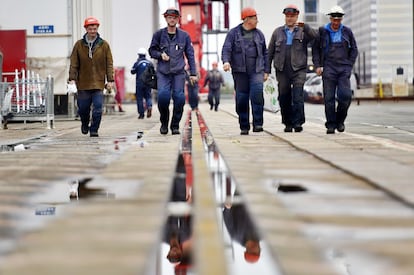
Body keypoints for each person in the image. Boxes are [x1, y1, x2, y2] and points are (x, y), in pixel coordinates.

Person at [267, 4, 318, 133]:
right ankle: (287, 123)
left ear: (297, 16)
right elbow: (269, 52)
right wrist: (266, 70)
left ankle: (298, 123)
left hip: (299, 69)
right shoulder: (277, 32)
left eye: (292, 16)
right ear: (285, 17)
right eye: (287, 16)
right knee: (284, 97)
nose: (289, 19)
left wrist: (305, 26)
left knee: (298, 96)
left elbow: (315, 37)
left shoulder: (303, 31)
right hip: (282, 69)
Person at [149, 7, 198, 135]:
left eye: (174, 17)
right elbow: (152, 51)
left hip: (178, 73)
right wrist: (160, 55)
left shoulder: (184, 36)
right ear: (165, 18)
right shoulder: (158, 35)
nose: (172, 19)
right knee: (163, 97)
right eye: (169, 17)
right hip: (163, 73)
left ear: (178, 19)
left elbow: (190, 55)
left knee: (180, 99)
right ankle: (164, 122)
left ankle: (175, 125)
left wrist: (193, 73)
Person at [221, 7, 269, 135]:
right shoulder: (233, 33)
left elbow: (265, 53)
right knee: (241, 99)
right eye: (255, 18)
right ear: (247, 19)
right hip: (239, 71)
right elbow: (226, 49)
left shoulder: (259, 34)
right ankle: (244, 125)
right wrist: (226, 61)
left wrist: (267, 70)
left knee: (257, 95)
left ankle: (258, 124)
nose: (257, 21)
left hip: (257, 70)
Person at [312, 5, 358, 134]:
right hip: (328, 67)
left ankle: (340, 120)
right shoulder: (322, 31)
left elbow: (354, 50)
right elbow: (315, 49)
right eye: (334, 20)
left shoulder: (347, 32)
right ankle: (331, 125)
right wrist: (317, 66)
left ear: (341, 19)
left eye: (339, 20)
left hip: (344, 68)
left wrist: (349, 66)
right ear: (330, 18)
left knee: (346, 96)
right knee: (329, 98)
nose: (336, 22)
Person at [68, 16, 114, 137]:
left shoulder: (104, 45)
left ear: (97, 28)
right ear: (86, 29)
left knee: (98, 108)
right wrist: (72, 78)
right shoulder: (79, 45)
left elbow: (109, 63)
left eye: (94, 28)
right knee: (83, 108)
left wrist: (110, 80)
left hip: (98, 83)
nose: (93, 31)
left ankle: (94, 129)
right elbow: (74, 63)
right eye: (90, 28)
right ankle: (84, 123)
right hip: (83, 83)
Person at [131, 48, 154, 119]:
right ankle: (149, 106)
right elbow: (153, 72)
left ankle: (141, 114)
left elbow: (132, 71)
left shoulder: (137, 63)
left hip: (139, 83)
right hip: (148, 83)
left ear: (139, 55)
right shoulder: (149, 63)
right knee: (148, 96)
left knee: (140, 98)